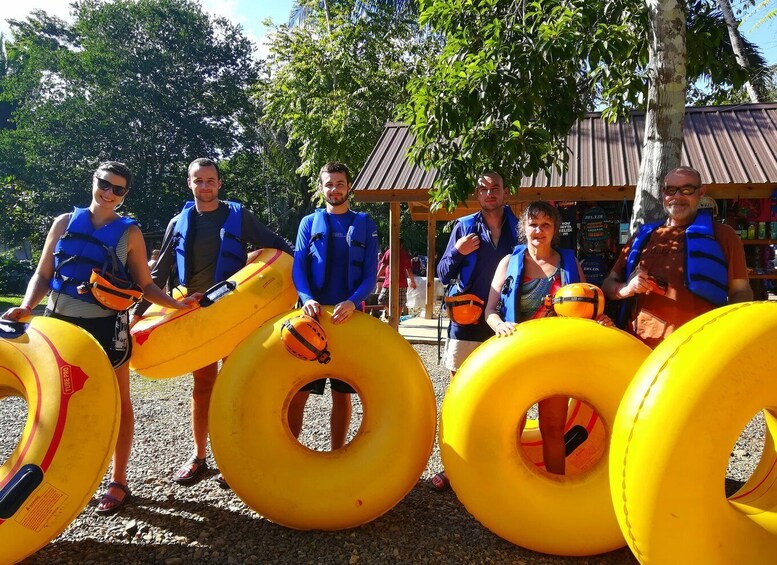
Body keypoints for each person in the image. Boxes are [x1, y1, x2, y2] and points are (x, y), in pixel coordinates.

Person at [2, 161, 196, 515]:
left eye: (117, 189)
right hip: (59, 325)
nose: (108, 193)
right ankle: (58, 476)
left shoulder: (129, 233)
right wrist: (27, 306)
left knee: (120, 402)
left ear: (124, 196)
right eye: (104, 184)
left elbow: (146, 284)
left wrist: (176, 305)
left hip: (107, 327)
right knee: (60, 404)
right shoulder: (63, 222)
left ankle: (119, 481)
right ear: (93, 181)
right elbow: (43, 273)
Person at [137, 157, 292, 487]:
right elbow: (159, 273)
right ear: (189, 183)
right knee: (203, 386)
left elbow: (277, 245)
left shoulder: (238, 216)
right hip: (195, 315)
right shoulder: (177, 222)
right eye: (198, 180)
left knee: (238, 384)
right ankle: (200, 456)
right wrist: (137, 314)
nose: (205, 186)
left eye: (210, 180)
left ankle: (235, 454)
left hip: (233, 312)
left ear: (219, 183)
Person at [483, 201, 614, 476]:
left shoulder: (569, 262)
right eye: (533, 224)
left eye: (546, 225)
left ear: (554, 230)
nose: (538, 231)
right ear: (523, 229)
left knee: (553, 428)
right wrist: (499, 325)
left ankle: (555, 486)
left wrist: (599, 319)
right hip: (517, 356)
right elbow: (490, 310)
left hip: (555, 358)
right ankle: (508, 488)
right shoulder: (509, 263)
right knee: (512, 427)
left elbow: (585, 307)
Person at [431, 171, 519, 490]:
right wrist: (458, 252)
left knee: (504, 394)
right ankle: (453, 467)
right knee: (459, 393)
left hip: (505, 323)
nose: (489, 192)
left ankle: (498, 464)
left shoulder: (518, 228)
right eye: (483, 189)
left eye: (495, 187)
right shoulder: (464, 226)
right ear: (477, 195)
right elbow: (443, 272)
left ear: (505, 192)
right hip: (466, 319)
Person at [602, 166, 751, 349]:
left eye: (687, 189)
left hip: (699, 347)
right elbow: (609, 284)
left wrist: (728, 333)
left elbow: (741, 291)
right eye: (670, 190)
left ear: (701, 192)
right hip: (641, 347)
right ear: (662, 194)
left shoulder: (724, 235)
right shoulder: (642, 236)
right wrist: (626, 288)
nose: (677, 197)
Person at [289, 161, 379, 450]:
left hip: (348, 318)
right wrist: (307, 299)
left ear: (348, 186)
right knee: (299, 389)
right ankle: (288, 450)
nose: (334, 189)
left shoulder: (365, 223)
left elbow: (369, 276)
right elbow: (299, 269)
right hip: (312, 318)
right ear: (321, 187)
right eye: (329, 184)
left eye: (340, 183)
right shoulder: (308, 224)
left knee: (342, 392)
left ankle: (337, 453)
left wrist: (353, 303)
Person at [376, 240, 417, 316]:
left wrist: (377, 276)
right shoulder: (401, 254)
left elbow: (383, 265)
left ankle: (392, 316)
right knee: (399, 302)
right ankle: (394, 317)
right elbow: (409, 270)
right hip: (395, 283)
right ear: (401, 245)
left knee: (383, 299)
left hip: (392, 282)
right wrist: (412, 281)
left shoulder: (390, 252)